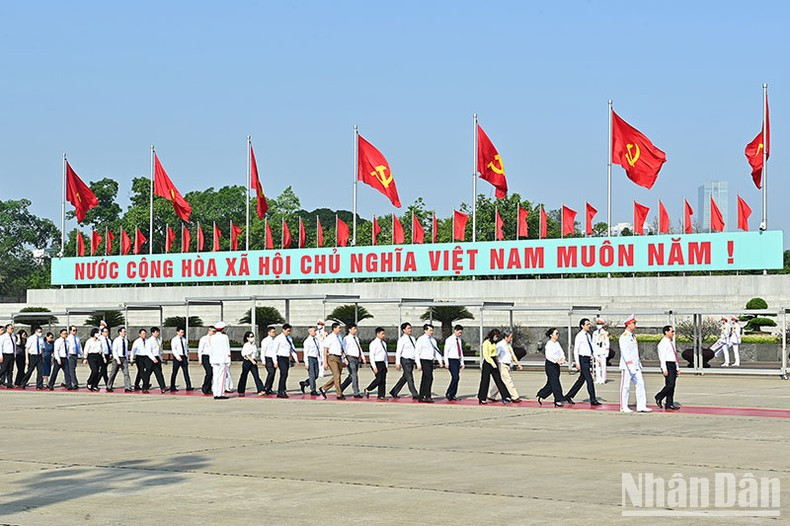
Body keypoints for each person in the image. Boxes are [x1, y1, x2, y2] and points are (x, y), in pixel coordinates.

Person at [619, 315, 652, 413]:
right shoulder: (624, 337)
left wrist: (638, 364)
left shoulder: (632, 336)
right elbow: (625, 353)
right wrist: (630, 365)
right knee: (625, 386)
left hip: (636, 365)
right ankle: (623, 406)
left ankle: (641, 405)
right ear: (628, 324)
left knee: (640, 384)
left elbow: (634, 352)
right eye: (634, 323)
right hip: (627, 366)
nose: (635, 325)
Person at [564, 318, 600, 405]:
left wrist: (596, 358)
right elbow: (576, 350)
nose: (589, 326)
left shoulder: (588, 335)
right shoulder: (579, 336)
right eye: (587, 324)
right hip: (582, 359)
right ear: (582, 326)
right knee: (589, 380)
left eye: (589, 324)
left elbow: (591, 348)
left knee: (581, 380)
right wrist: (577, 362)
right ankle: (593, 399)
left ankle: (569, 396)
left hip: (587, 359)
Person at [477, 328, 510, 405]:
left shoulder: (494, 343)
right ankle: (482, 398)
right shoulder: (486, 342)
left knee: (498, 379)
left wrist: (496, 361)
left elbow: (495, 353)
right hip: (488, 362)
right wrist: (492, 363)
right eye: (496, 336)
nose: (497, 338)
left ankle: (506, 396)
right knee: (485, 381)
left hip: (494, 360)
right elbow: (486, 355)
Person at [488, 330, 523, 403]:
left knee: (501, 382)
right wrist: (496, 365)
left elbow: (513, 355)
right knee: (508, 381)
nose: (511, 339)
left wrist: (518, 364)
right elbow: (496, 355)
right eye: (510, 337)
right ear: (506, 337)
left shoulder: (509, 345)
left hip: (507, 365)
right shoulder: (500, 345)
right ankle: (515, 396)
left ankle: (491, 395)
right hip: (502, 364)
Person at [536, 328, 566, 406]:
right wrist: (556, 360)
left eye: (558, 333)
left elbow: (561, 352)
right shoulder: (549, 344)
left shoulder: (557, 343)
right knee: (555, 382)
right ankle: (558, 399)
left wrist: (562, 358)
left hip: (556, 365)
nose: (558, 335)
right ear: (551, 335)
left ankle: (541, 394)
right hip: (550, 365)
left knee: (551, 383)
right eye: (556, 333)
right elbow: (549, 356)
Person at [416, 324, 445, 403]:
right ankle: (427, 395)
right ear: (425, 330)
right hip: (424, 360)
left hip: (430, 361)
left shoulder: (433, 340)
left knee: (425, 378)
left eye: (432, 330)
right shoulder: (421, 339)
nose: (432, 332)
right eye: (430, 330)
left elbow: (436, 351)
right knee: (429, 377)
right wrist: (418, 363)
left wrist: (440, 361)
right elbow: (417, 352)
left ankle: (421, 395)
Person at [390, 322, 419, 400]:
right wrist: (397, 363)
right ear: (404, 330)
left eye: (410, 328)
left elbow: (415, 350)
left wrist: (416, 360)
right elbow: (398, 352)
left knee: (405, 377)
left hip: (411, 360)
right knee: (410, 377)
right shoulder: (402, 340)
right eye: (408, 328)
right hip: (405, 360)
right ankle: (415, 393)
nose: (410, 330)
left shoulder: (413, 338)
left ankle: (394, 391)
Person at [319, 322, 347, 400]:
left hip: (339, 358)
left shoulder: (340, 337)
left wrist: (344, 358)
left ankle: (324, 388)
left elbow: (342, 348)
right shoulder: (330, 337)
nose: (340, 329)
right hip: (332, 358)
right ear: (334, 328)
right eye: (339, 328)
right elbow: (325, 350)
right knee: (337, 375)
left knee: (336, 376)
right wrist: (325, 362)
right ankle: (339, 394)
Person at [655, 325, 680, 411]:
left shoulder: (671, 342)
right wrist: (664, 369)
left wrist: (677, 367)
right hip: (667, 364)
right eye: (671, 331)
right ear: (666, 332)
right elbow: (662, 357)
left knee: (672, 386)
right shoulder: (663, 343)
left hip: (672, 364)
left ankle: (669, 403)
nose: (673, 333)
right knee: (670, 384)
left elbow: (674, 355)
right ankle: (659, 396)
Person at [340, 323, 366, 398]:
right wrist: (344, 358)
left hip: (356, 358)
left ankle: (341, 388)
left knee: (351, 376)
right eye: (354, 329)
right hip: (350, 358)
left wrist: (363, 357)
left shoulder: (356, 338)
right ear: (349, 330)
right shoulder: (346, 339)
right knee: (354, 376)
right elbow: (344, 349)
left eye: (356, 329)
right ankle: (356, 392)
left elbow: (359, 348)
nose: (355, 330)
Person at [273, 323, 299, 398]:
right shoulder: (278, 338)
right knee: (283, 373)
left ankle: (282, 390)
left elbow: (292, 349)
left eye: (289, 331)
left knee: (285, 374)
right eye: (287, 331)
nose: (289, 332)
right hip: (280, 357)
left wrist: (296, 358)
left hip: (286, 358)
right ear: (283, 330)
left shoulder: (289, 338)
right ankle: (281, 391)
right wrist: (275, 361)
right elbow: (274, 351)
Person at [237, 331, 265, 397]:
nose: (252, 338)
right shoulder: (246, 345)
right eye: (250, 337)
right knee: (244, 376)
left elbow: (256, 354)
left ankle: (261, 390)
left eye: (253, 336)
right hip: (247, 361)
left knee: (256, 376)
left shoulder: (254, 345)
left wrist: (255, 360)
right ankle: (241, 391)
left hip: (253, 361)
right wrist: (252, 360)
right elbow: (245, 354)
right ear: (247, 338)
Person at [208, 322, 231, 399]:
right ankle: (220, 394)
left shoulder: (212, 337)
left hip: (214, 359)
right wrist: (228, 359)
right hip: (222, 359)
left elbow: (210, 349)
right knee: (222, 378)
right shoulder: (224, 337)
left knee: (216, 377)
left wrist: (211, 360)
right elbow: (227, 349)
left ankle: (215, 392)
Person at [364, 327, 389, 400]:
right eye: (382, 333)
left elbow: (385, 355)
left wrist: (386, 364)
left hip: (382, 363)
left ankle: (381, 395)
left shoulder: (384, 343)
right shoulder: (373, 343)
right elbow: (371, 355)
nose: (383, 335)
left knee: (383, 380)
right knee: (379, 379)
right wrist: (374, 366)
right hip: (376, 363)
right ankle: (368, 389)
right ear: (377, 334)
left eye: (384, 333)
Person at [443, 324, 465, 401]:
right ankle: (449, 392)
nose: (460, 334)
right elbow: (446, 351)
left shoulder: (459, 339)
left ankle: (453, 394)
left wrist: (462, 362)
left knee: (457, 378)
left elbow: (460, 351)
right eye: (459, 332)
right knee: (455, 377)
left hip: (457, 360)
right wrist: (446, 362)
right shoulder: (449, 339)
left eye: (461, 333)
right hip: (451, 360)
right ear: (455, 331)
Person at [143, 327, 168, 394]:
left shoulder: (159, 340)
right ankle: (145, 387)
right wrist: (153, 359)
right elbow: (148, 351)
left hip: (157, 358)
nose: (158, 333)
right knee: (147, 374)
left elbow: (158, 351)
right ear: (153, 333)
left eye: (158, 332)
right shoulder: (149, 341)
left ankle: (163, 387)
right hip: (150, 359)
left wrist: (160, 359)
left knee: (159, 373)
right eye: (156, 332)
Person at [299, 326, 322, 395]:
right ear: (310, 332)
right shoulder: (307, 341)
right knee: (312, 375)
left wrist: (320, 359)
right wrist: (306, 362)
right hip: (310, 358)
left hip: (315, 358)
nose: (315, 332)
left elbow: (319, 350)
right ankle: (313, 390)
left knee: (316, 374)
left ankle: (305, 383)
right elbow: (305, 352)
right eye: (314, 331)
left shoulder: (316, 340)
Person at [108, 327, 132, 392]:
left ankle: (128, 387)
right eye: (123, 332)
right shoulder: (116, 340)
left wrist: (127, 358)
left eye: (125, 332)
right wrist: (117, 359)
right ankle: (109, 386)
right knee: (113, 372)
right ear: (120, 332)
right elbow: (114, 350)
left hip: (124, 358)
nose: (125, 333)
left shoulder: (125, 341)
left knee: (126, 373)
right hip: (117, 358)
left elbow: (126, 350)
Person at [170, 327, 193, 392]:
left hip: (184, 357)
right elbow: (174, 349)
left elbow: (186, 349)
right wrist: (177, 357)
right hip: (177, 357)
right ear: (177, 332)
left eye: (183, 332)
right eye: (181, 332)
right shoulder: (174, 339)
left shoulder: (184, 340)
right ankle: (172, 386)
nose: (182, 333)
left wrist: (186, 356)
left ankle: (188, 386)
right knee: (174, 372)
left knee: (186, 372)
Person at [261, 326, 278, 395]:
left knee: (273, 373)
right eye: (273, 332)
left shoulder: (275, 340)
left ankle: (269, 388)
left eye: (275, 332)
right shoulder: (265, 340)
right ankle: (266, 387)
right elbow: (263, 351)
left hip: (274, 358)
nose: (274, 333)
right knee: (270, 373)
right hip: (268, 358)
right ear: (269, 332)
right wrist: (263, 360)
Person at [592, 319, 609, 384]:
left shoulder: (604, 333)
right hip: (597, 350)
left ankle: (603, 379)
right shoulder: (595, 333)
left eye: (600, 324)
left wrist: (607, 351)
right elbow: (593, 342)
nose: (598, 325)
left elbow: (607, 342)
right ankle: (598, 378)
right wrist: (594, 351)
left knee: (603, 366)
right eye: (598, 324)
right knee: (597, 366)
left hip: (603, 350)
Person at [198, 326, 214, 395]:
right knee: (209, 372)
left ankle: (209, 388)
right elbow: (200, 349)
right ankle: (205, 387)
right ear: (209, 331)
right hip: (205, 356)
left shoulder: (215, 339)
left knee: (212, 373)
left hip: (212, 357)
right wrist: (200, 359)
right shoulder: (204, 338)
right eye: (213, 331)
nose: (214, 333)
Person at [67, 325, 82, 389]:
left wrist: (82, 355)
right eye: (73, 330)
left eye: (76, 330)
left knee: (73, 369)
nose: (75, 332)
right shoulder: (68, 339)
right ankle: (74, 383)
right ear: (70, 331)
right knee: (72, 370)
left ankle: (66, 381)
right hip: (70, 355)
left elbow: (79, 347)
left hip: (75, 355)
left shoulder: (77, 338)